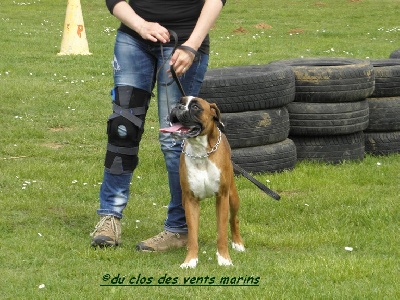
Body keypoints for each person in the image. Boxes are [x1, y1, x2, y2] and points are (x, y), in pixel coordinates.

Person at [90, 0, 226, 251]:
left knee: (174, 138)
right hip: (134, 38)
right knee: (123, 128)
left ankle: (179, 229)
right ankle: (109, 217)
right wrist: (140, 25)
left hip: (183, 45)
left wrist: (191, 46)